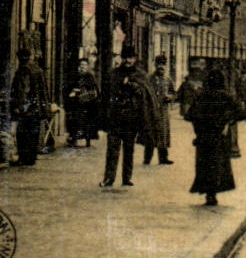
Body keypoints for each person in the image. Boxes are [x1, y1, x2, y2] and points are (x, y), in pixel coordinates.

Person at [186, 68, 242, 207]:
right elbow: (240, 113)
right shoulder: (226, 96)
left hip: (204, 137)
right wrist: (228, 121)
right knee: (218, 165)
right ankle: (214, 192)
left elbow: (190, 116)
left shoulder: (201, 96)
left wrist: (198, 130)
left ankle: (208, 193)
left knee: (205, 165)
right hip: (220, 137)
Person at [101, 46, 148, 187]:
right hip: (116, 118)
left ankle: (127, 178)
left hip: (131, 118)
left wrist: (133, 86)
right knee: (112, 149)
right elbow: (107, 94)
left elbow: (144, 95)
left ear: (135, 59)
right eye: (126, 57)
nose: (128, 60)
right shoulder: (114, 74)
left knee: (129, 149)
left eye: (131, 57)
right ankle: (109, 178)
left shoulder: (140, 75)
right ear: (122, 58)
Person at [9, 49, 48, 167]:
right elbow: (44, 91)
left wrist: (18, 106)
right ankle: (31, 158)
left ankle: (23, 158)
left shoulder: (23, 70)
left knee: (23, 133)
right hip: (36, 107)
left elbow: (23, 90)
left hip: (26, 108)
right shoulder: (38, 70)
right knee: (34, 132)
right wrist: (44, 106)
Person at [142, 55, 175, 166]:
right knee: (151, 135)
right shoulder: (149, 78)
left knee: (163, 134)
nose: (161, 67)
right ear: (155, 65)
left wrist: (170, 97)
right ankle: (147, 158)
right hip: (152, 111)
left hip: (164, 111)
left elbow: (173, 93)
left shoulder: (168, 79)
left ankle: (163, 158)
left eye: (163, 64)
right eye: (159, 64)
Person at [67, 57, 100, 146]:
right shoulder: (75, 76)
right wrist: (73, 90)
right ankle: (74, 137)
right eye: (81, 65)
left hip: (88, 103)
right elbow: (69, 87)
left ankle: (87, 138)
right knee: (73, 117)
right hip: (76, 102)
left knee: (86, 119)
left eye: (84, 65)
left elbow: (94, 90)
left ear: (88, 66)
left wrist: (80, 91)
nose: (82, 67)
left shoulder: (90, 76)